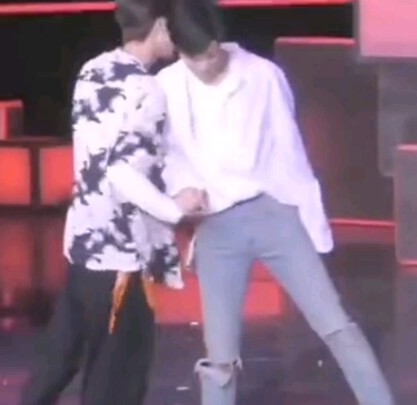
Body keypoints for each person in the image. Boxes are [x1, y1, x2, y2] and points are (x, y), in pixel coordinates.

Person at [157, 1, 396, 404]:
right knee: (219, 355)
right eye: (194, 58)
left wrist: (313, 227)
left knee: (335, 324)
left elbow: (290, 151)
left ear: (220, 42)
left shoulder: (262, 75)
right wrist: (183, 190)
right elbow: (171, 155)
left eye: (211, 54)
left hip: (274, 213)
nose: (205, 65)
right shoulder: (167, 86)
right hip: (217, 225)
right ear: (178, 51)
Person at [19, 0, 202, 403]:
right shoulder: (146, 89)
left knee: (58, 361)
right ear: (158, 27)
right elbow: (121, 170)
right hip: (122, 257)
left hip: (84, 244)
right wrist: (175, 209)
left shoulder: (93, 70)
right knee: (116, 378)